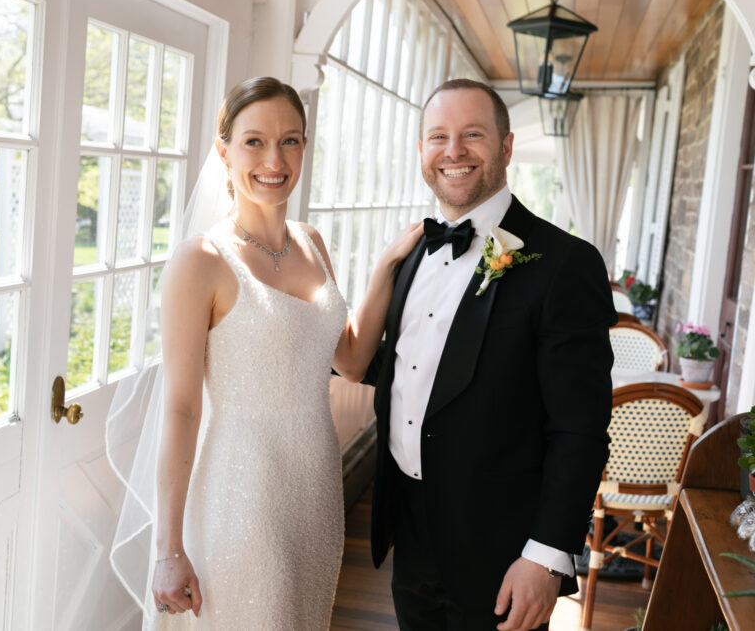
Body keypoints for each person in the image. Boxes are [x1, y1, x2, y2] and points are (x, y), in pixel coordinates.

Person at [107, 76, 424, 630]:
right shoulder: (200, 260)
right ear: (223, 150)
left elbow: (349, 360)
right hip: (240, 489)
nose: (274, 159)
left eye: (291, 140)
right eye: (254, 141)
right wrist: (168, 548)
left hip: (315, 486)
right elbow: (180, 409)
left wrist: (383, 269)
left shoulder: (311, 242)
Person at [359, 79, 616, 631]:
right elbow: (408, 370)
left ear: (505, 147)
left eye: (472, 134)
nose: (453, 151)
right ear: (423, 151)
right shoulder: (408, 255)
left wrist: (546, 556)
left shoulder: (564, 264)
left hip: (503, 551)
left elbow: (580, 428)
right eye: (438, 137)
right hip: (409, 527)